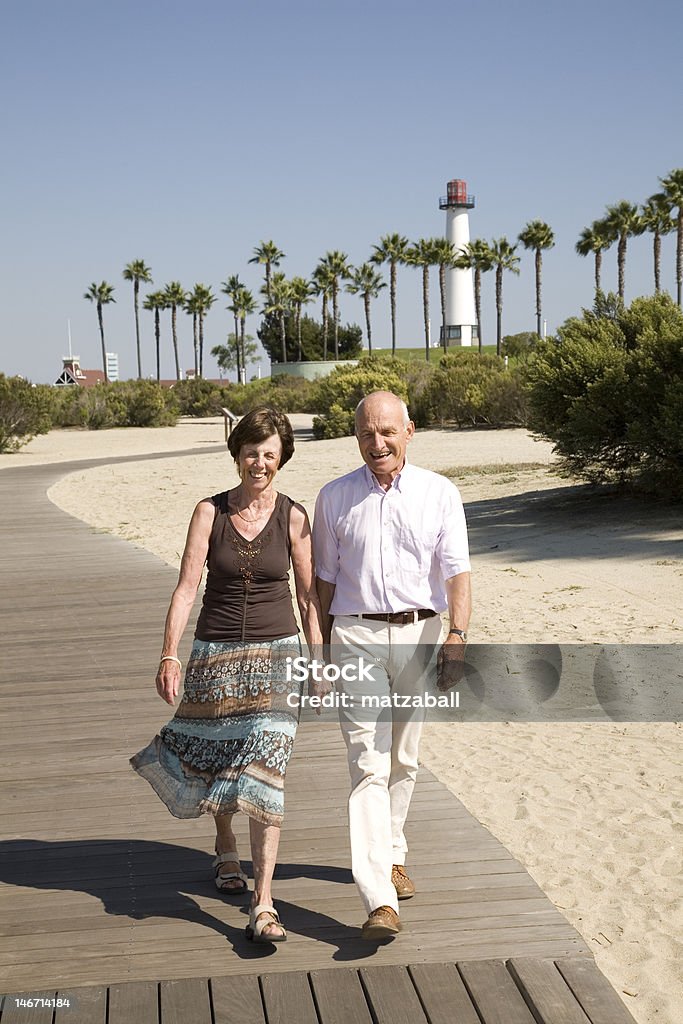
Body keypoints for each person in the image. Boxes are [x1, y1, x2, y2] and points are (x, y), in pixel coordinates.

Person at [131, 406, 323, 945]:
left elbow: (308, 597)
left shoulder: (293, 517)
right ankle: (224, 846)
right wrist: (169, 653)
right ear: (236, 453)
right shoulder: (208, 512)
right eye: (250, 452)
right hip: (214, 654)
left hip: (278, 656)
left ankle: (263, 903)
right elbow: (188, 586)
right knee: (216, 755)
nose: (258, 463)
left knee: (265, 770)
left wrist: (318, 658)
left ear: (281, 457)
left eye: (269, 453)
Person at [312, 391, 471, 940]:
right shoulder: (333, 497)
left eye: (386, 432)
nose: (376, 443)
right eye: (365, 435)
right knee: (366, 761)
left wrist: (457, 634)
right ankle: (379, 898)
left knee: (404, 756)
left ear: (410, 431)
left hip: (423, 631)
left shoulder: (439, 493)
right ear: (355, 438)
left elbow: (457, 573)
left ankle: (395, 851)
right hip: (353, 632)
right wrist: (320, 648)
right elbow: (321, 583)